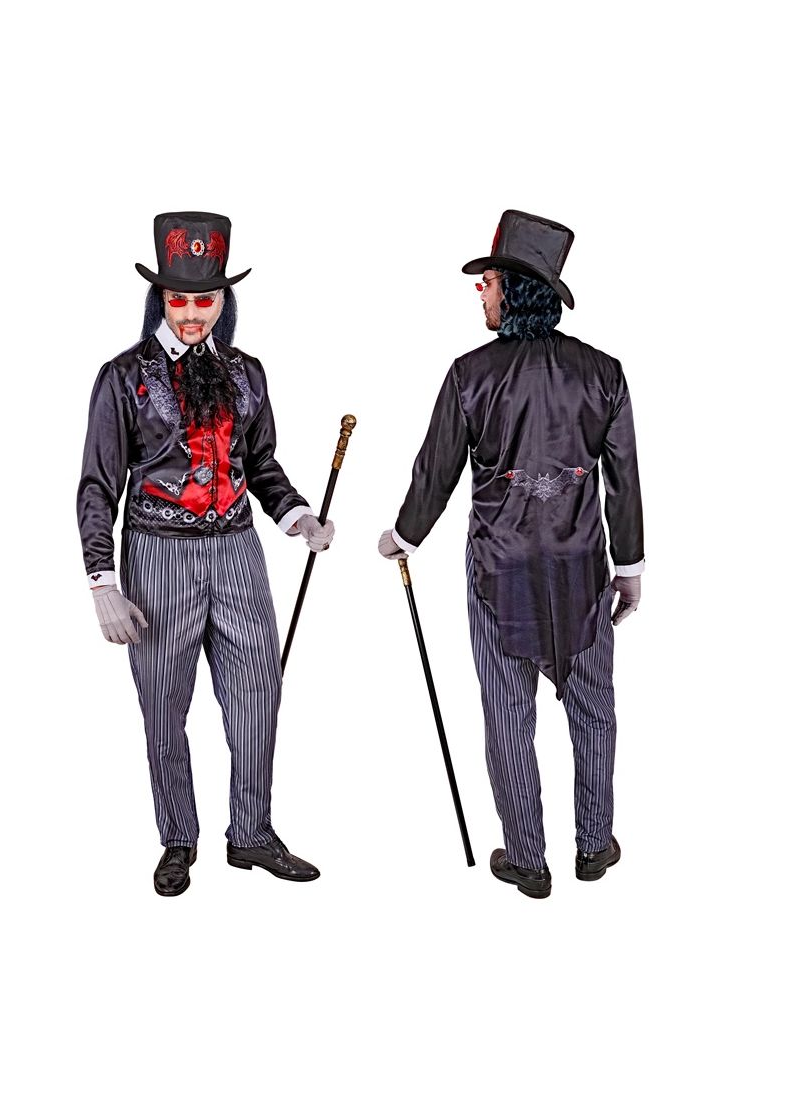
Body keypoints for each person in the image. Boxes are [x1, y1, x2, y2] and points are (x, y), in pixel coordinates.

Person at [379, 210, 644, 899]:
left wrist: (403, 535)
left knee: (507, 715)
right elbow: (623, 480)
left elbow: (434, 471)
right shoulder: (603, 373)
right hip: (583, 570)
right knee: (593, 710)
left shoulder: (471, 374)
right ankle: (594, 846)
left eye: (489, 282)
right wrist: (630, 569)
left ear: (515, 289)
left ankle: (528, 859)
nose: (481, 293)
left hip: (500, 574)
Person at [78, 211, 332, 896]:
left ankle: (251, 833)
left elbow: (262, 464)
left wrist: (298, 516)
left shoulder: (247, 372)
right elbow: (98, 485)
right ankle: (178, 839)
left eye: (206, 299)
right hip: (157, 555)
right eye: (180, 299)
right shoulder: (123, 376)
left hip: (239, 553)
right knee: (164, 706)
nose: (193, 314)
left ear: (224, 299)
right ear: (161, 298)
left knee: (258, 694)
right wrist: (102, 582)